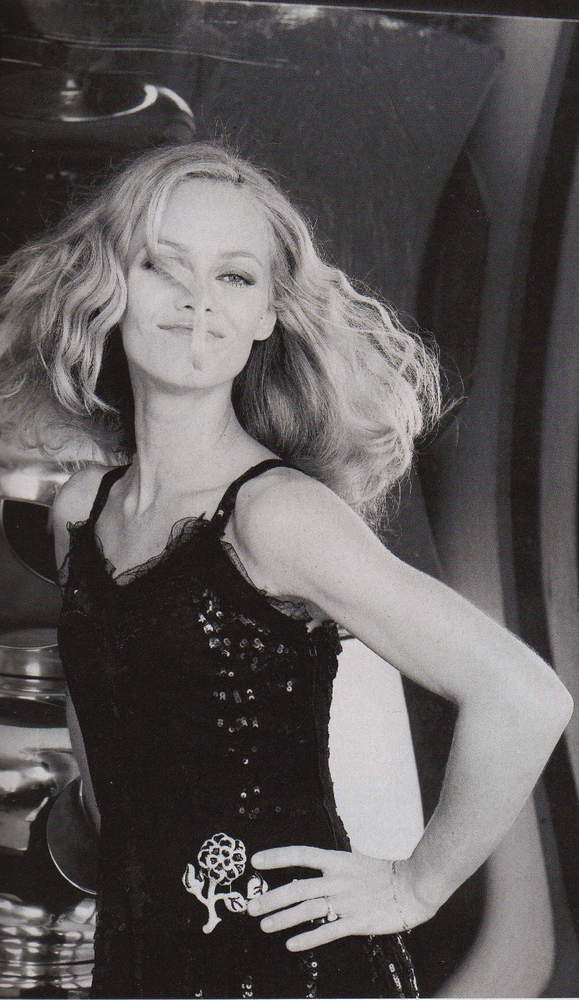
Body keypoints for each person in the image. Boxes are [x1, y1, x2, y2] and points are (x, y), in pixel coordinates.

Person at [0, 142, 572, 1000]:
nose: (198, 299)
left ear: (267, 313)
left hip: (293, 970)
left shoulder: (276, 515)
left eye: (233, 276)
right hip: (139, 964)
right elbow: (110, 774)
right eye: (163, 265)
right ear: (108, 285)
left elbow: (524, 695)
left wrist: (414, 886)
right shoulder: (79, 512)